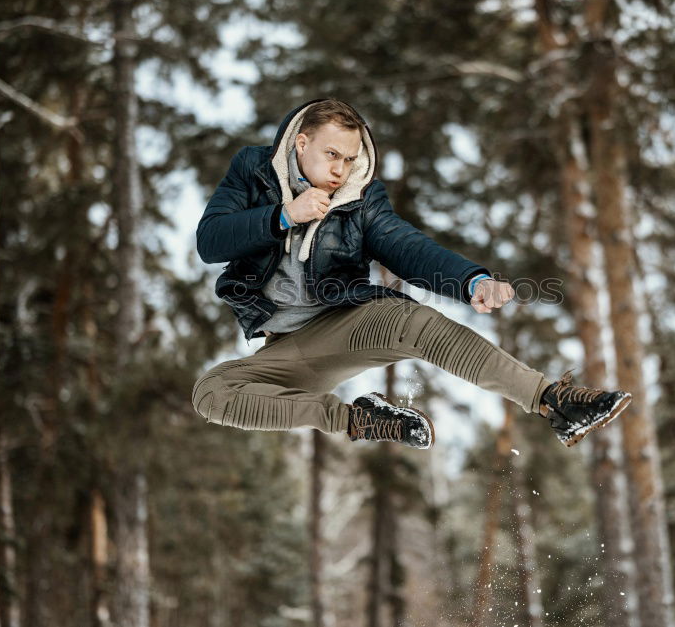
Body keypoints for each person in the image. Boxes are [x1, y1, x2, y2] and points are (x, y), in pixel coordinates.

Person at [192, 99, 631, 449]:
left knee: (413, 321)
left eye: (349, 158)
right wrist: (283, 216)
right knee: (211, 393)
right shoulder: (252, 172)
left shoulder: (360, 199)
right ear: (301, 144)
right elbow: (211, 240)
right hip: (285, 347)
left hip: (344, 324)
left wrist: (470, 280)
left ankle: (553, 400)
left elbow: (405, 246)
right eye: (331, 154)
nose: (340, 170)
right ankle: (356, 419)